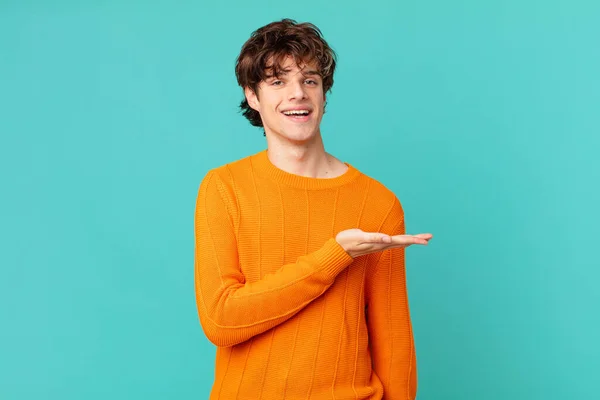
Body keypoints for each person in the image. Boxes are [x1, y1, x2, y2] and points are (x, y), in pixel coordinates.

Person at [194, 18, 433, 400]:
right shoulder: (224, 188)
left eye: (309, 80)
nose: (297, 94)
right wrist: (334, 256)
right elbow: (221, 320)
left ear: (323, 93)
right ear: (252, 96)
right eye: (277, 81)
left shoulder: (377, 202)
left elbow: (394, 338)